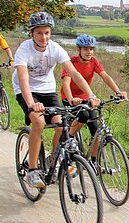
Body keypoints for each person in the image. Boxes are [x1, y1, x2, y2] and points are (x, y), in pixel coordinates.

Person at [13, 11, 100, 188]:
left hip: (47, 90)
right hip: (27, 90)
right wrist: (31, 104)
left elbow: (74, 73)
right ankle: (32, 170)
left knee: (61, 127)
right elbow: (23, 78)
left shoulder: (55, 48)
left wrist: (90, 95)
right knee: (38, 122)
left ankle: (53, 160)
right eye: (39, 32)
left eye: (47, 32)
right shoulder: (24, 49)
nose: (43, 36)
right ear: (32, 33)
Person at [60, 34, 128, 162]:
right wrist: (71, 99)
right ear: (78, 50)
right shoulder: (72, 62)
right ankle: (68, 139)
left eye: (91, 49)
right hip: (70, 98)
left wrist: (118, 91)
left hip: (86, 98)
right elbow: (66, 84)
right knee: (84, 116)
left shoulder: (93, 61)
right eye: (85, 49)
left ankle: (93, 161)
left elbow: (105, 76)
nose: (89, 52)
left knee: (96, 129)